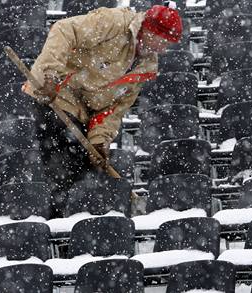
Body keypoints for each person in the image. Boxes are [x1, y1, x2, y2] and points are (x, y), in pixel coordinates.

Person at [22, 2, 182, 215]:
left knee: (89, 174)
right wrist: (50, 75)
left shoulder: (147, 66)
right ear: (149, 29)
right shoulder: (116, 22)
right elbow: (64, 29)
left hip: (85, 112)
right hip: (57, 93)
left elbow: (115, 108)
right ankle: (60, 224)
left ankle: (79, 225)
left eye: (167, 44)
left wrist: (99, 141)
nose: (162, 49)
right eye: (162, 41)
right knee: (65, 165)